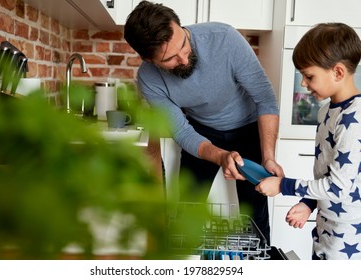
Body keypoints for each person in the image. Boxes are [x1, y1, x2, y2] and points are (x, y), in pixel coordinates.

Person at [124, 1, 284, 243]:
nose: (184, 60)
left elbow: (265, 99)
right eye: (170, 58)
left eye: (184, 45)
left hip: (250, 128)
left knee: (254, 214)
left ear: (179, 25)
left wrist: (268, 156)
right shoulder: (148, 79)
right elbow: (181, 131)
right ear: (148, 59)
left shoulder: (224, 38)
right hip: (200, 133)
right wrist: (220, 156)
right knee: (188, 208)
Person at [256, 22, 361, 259]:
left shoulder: (355, 119)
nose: (303, 83)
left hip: (350, 235)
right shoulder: (326, 112)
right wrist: (309, 203)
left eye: (308, 75)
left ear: (337, 72)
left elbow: (337, 187)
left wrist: (284, 186)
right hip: (327, 228)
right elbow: (330, 175)